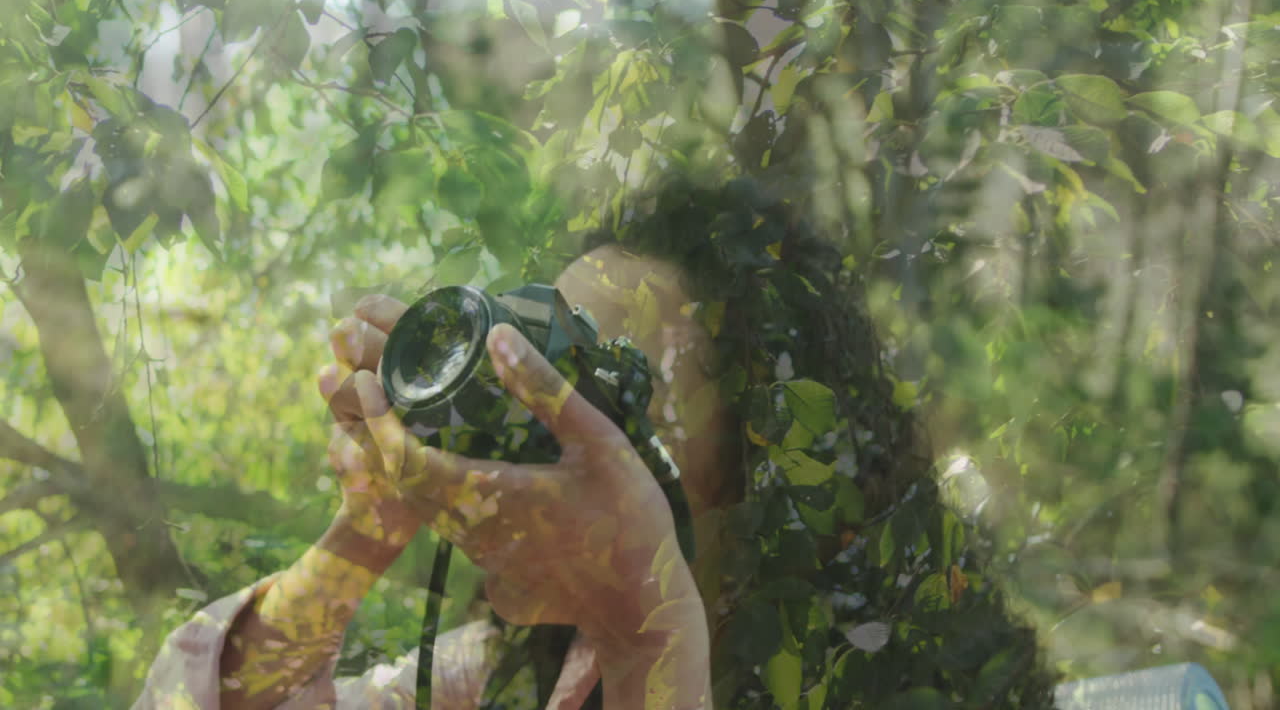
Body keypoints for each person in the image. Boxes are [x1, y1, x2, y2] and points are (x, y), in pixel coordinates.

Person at [133, 179, 1056, 709]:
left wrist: (646, 634)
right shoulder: (518, 675)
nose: (557, 433)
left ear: (758, 467)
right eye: (539, 368)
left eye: (611, 394)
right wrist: (370, 529)